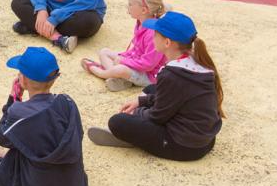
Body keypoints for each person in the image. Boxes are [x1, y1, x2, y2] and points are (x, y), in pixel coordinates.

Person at [88, 12, 224, 161]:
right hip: (206, 140)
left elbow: (157, 117)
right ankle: (138, 120)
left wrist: (138, 112)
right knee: (150, 90)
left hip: (183, 146)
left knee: (117, 121)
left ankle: (129, 137)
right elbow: (175, 97)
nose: (152, 38)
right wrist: (141, 101)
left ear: (167, 42)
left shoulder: (172, 74)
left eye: (155, 35)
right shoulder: (198, 61)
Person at [0, 47, 89, 186]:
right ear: (54, 79)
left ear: (22, 79)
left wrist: (13, 99)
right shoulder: (67, 103)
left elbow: (1, 136)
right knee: (27, 141)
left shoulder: (19, 112)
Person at [81, 0, 168, 91]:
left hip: (150, 75)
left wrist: (123, 61)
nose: (128, 6)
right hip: (137, 62)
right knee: (104, 52)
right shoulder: (141, 23)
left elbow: (148, 65)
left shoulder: (154, 33)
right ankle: (119, 79)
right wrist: (124, 57)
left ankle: (99, 71)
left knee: (120, 69)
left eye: (131, 4)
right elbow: (136, 50)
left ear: (144, 10)